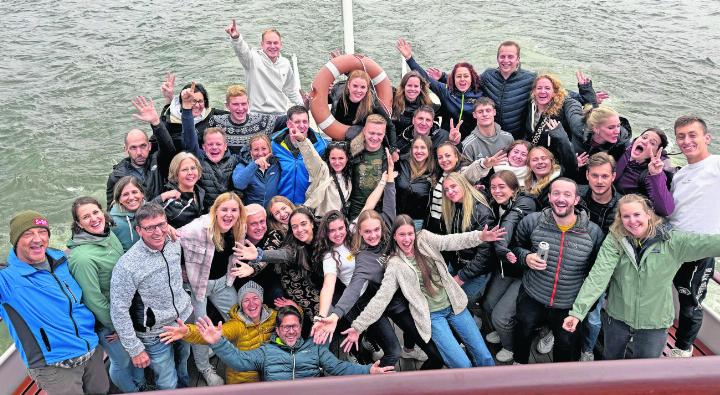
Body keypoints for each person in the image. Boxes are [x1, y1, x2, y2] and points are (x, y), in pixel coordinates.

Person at [563, 194, 720, 359]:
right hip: (617, 317)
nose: (632, 221)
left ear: (648, 214)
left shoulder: (673, 242)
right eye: (626, 216)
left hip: (655, 321)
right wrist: (577, 312)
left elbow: (710, 243)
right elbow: (598, 276)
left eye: (637, 214)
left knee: (647, 369)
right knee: (610, 361)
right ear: (620, 218)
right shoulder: (614, 240)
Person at [342, 215, 505, 368]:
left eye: (410, 233)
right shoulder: (395, 264)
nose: (407, 239)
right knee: (462, 365)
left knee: (485, 357)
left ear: (415, 232)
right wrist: (358, 326)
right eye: (401, 235)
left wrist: (480, 237)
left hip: (455, 305)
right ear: (394, 237)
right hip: (433, 316)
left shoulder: (425, 238)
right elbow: (381, 298)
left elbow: (451, 241)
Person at [0, 210, 108, 395]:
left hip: (90, 348)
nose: (37, 239)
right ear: (16, 241)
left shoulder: (60, 259)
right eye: (28, 234)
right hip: (55, 366)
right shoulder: (6, 279)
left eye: (42, 232)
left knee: (102, 391)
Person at [511, 178, 604, 364]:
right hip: (533, 294)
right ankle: (519, 364)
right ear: (549, 197)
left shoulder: (593, 232)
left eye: (567, 194)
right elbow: (515, 247)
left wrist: (587, 306)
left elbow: (596, 273)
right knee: (523, 330)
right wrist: (525, 257)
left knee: (566, 345)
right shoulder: (532, 222)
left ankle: (561, 380)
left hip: (568, 302)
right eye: (556, 193)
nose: (561, 199)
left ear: (576, 200)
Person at [110, 203, 193, 390]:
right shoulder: (127, 266)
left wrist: (186, 300)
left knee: (183, 364)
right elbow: (118, 309)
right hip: (155, 333)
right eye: (149, 228)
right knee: (167, 380)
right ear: (138, 230)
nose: (158, 232)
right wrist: (135, 349)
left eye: (161, 225)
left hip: (183, 319)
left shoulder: (173, 242)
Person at [67, 197, 146, 393]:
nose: (94, 219)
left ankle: (143, 384)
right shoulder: (83, 258)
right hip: (109, 321)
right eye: (86, 217)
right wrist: (118, 326)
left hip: (126, 310)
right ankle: (133, 391)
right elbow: (94, 300)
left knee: (135, 349)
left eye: (95, 212)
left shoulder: (108, 235)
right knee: (122, 360)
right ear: (78, 224)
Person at [195, 306, 393, 380]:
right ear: (278, 330)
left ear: (300, 328)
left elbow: (338, 367)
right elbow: (239, 361)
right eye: (286, 327)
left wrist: (368, 371)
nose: (291, 331)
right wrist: (218, 342)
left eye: (295, 326)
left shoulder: (314, 348)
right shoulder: (266, 351)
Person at [177, 192, 247, 386]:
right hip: (198, 285)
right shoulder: (197, 228)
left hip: (223, 283)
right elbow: (173, 238)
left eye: (234, 210)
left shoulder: (240, 227)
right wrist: (181, 270)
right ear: (215, 211)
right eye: (224, 209)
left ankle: (236, 354)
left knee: (237, 316)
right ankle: (204, 368)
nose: (229, 214)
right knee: (202, 327)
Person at [667, 116, 720, 357]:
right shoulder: (680, 174)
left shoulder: (716, 165)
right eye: (681, 136)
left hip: (698, 249)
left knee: (690, 304)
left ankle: (682, 349)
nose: (686, 140)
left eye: (692, 135)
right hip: (670, 244)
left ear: (706, 138)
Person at [160, 281, 279, 384]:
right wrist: (188, 332)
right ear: (241, 305)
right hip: (242, 379)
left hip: (268, 375)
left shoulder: (273, 317)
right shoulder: (237, 325)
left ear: (262, 301)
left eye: (255, 298)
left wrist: (294, 306)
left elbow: (295, 321)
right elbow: (213, 334)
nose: (251, 304)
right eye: (246, 300)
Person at [482, 170, 537, 363]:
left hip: (524, 270)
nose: (497, 191)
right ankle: (502, 332)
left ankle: (510, 347)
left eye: (502, 187)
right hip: (506, 266)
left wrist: (502, 247)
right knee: (488, 304)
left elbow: (510, 222)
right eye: (493, 187)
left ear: (514, 190)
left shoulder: (525, 203)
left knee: (500, 316)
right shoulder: (494, 204)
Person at [575, 152, 622, 361]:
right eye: (595, 175)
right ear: (587, 176)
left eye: (604, 176)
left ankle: (587, 349)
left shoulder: (622, 206)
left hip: (601, 270)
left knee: (593, 318)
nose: (599, 181)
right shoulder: (577, 195)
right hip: (574, 262)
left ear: (613, 176)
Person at [397, 38, 483, 139]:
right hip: (446, 139)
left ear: (472, 78)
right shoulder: (445, 91)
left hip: (471, 140)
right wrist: (409, 58)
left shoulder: (480, 93)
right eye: (458, 76)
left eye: (466, 76)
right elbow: (426, 78)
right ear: (453, 79)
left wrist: (443, 76)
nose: (462, 80)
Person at [178, 84, 240, 209]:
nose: (214, 147)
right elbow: (189, 136)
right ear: (203, 147)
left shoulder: (235, 160)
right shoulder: (199, 160)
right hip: (208, 214)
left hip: (231, 211)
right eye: (210, 144)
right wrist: (186, 108)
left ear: (226, 146)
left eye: (218, 144)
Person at [224, 20, 303, 114]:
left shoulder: (285, 63)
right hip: (257, 115)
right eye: (269, 43)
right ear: (262, 45)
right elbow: (242, 51)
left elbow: (291, 90)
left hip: (280, 114)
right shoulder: (252, 59)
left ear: (281, 45)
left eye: (276, 43)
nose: (272, 46)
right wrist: (236, 38)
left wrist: (303, 105)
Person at [441, 172, 497, 303]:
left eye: (453, 186)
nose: (450, 192)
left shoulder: (481, 212)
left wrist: (461, 277)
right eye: (446, 190)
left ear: (463, 184)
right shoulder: (456, 206)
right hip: (457, 265)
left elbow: (485, 255)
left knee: (460, 305)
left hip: (474, 273)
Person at [524, 74, 580, 179]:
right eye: (539, 88)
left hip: (555, 164)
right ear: (534, 91)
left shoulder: (562, 110)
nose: (542, 91)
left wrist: (573, 160)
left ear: (554, 92)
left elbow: (575, 107)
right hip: (536, 159)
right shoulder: (530, 106)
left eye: (547, 88)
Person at [271, 105, 328, 204]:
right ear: (288, 124)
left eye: (305, 121)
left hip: (307, 204)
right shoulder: (275, 144)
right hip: (282, 204)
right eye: (297, 122)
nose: (302, 125)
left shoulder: (321, 145)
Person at [480, 41, 537, 139]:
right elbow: (468, 81)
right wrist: (444, 77)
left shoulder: (530, 79)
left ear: (518, 59)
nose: (506, 60)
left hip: (517, 138)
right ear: (497, 59)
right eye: (502, 56)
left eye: (510, 57)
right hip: (492, 135)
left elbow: (552, 88)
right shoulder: (488, 76)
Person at [208, 85, 288, 154]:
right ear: (227, 106)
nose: (240, 108)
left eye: (243, 104)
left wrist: (300, 108)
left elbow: (289, 119)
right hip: (227, 168)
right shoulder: (216, 122)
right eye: (235, 104)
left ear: (248, 104)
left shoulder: (262, 122)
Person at [331, 70, 397, 151]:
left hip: (361, 145)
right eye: (355, 86)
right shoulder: (338, 97)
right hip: (339, 141)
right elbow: (321, 100)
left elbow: (390, 125)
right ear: (348, 85)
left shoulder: (373, 104)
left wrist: (393, 148)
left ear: (367, 89)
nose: (358, 90)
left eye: (362, 87)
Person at [614, 128, 675, 216]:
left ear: (656, 152)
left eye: (652, 143)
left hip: (629, 214)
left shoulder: (650, 174)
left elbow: (666, 210)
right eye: (644, 137)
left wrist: (656, 175)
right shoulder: (623, 149)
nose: (645, 142)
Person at [158, 77, 227, 153]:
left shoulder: (211, 114)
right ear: (183, 102)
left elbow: (235, 115)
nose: (197, 105)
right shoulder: (169, 120)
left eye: (200, 101)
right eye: (193, 101)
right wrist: (168, 97)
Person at [297, 132, 352, 218]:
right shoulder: (322, 171)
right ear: (328, 158)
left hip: (337, 222)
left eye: (341, 158)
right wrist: (302, 140)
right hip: (321, 222)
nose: (337, 162)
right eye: (333, 158)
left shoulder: (348, 178)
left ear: (347, 159)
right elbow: (312, 157)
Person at [347, 114, 391, 219]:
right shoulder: (351, 152)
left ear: (384, 134)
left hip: (379, 214)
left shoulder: (388, 155)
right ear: (364, 131)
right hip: (354, 212)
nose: (375, 137)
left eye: (379, 134)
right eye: (371, 133)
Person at [106, 128, 163, 207]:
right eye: (133, 148)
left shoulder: (161, 161)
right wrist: (161, 198)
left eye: (143, 146)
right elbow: (112, 211)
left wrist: (156, 123)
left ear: (149, 146)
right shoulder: (116, 177)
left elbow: (168, 146)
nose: (139, 153)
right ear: (126, 150)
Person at [153, 152, 205, 228]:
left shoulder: (201, 192)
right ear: (176, 174)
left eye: (193, 168)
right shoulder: (168, 199)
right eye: (184, 170)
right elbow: (144, 215)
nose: (190, 173)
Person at [396, 135, 436, 229]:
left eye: (423, 148)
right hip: (397, 217)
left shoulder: (434, 170)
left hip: (418, 220)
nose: (419, 151)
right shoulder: (401, 163)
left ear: (429, 150)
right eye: (416, 147)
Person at [232, 133, 281, 208]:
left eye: (264, 149)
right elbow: (239, 184)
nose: (260, 153)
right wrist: (254, 165)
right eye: (256, 149)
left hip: (273, 210)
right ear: (250, 151)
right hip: (252, 212)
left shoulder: (276, 164)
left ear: (270, 149)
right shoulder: (243, 165)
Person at [110, 176, 145, 252]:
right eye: (125, 194)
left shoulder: (152, 211)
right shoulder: (113, 223)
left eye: (134, 192)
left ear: (142, 194)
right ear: (119, 199)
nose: (131, 197)